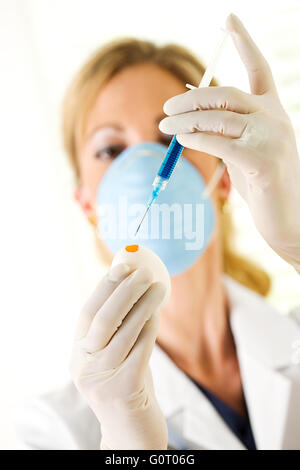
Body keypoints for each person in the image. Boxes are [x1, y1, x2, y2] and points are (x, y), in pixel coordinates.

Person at [13, 13, 300, 450]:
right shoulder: (54, 430)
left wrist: (297, 242)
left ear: (225, 176)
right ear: (87, 203)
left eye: (173, 139)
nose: (146, 165)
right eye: (111, 149)